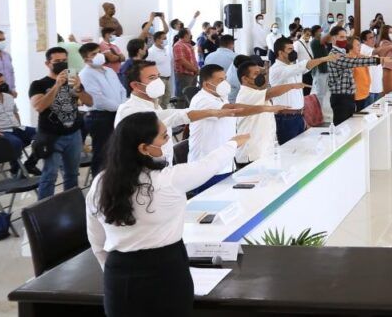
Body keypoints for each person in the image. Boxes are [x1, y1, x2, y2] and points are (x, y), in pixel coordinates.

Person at [87, 111, 250, 317]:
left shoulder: (100, 183)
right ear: (144, 148)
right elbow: (208, 165)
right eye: (164, 136)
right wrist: (233, 143)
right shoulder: (167, 180)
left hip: (119, 275)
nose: (168, 141)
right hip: (166, 272)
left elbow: (97, 241)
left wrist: (111, 270)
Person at [188, 65, 283, 189]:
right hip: (207, 168)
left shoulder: (221, 97)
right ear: (206, 85)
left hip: (225, 164)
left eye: (225, 79)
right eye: (220, 80)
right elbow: (234, 110)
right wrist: (265, 108)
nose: (225, 83)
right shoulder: (202, 100)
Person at [30, 47, 92, 199]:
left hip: (74, 134)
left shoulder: (72, 80)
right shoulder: (38, 84)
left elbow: (89, 102)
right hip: (51, 136)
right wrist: (57, 86)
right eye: (57, 61)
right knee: (49, 175)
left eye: (64, 61)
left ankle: (71, 206)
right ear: (47, 63)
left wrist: (78, 89)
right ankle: (43, 211)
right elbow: (39, 106)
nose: (62, 64)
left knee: (72, 173)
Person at [270, 37, 338, 144]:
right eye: (289, 49)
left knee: (300, 149)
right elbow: (303, 66)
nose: (293, 52)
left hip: (298, 116)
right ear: (280, 52)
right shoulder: (277, 69)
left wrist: (302, 118)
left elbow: (304, 67)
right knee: (289, 150)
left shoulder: (292, 66)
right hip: (286, 118)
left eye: (293, 49)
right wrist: (324, 59)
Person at [234, 61, 299, 166]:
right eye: (256, 74)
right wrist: (292, 86)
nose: (260, 76)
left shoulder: (257, 92)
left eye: (260, 73)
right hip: (251, 155)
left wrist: (265, 73)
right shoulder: (246, 94)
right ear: (245, 79)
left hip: (264, 152)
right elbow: (270, 92)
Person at [78, 43, 128, 177]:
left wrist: (123, 106)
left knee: (117, 152)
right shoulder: (85, 74)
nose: (99, 55)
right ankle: (99, 188)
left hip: (117, 113)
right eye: (94, 54)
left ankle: (115, 182)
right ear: (86, 59)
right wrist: (121, 107)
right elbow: (98, 100)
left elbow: (122, 90)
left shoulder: (109, 70)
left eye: (99, 52)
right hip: (100, 117)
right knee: (102, 154)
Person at [326, 29, 388, 125]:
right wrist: (378, 60)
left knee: (351, 125)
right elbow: (354, 62)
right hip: (341, 97)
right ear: (333, 39)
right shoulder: (334, 54)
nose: (344, 40)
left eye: (345, 37)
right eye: (341, 37)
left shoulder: (342, 53)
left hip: (349, 96)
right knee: (342, 126)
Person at [0, 72, 39, 176]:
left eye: (4, 81)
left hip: (17, 128)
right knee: (16, 143)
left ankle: (29, 165)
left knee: (45, 135)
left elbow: (15, 112)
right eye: (0, 82)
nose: (4, 84)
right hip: (2, 131)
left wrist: (18, 124)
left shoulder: (8, 97)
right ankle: (16, 171)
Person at [171, 28, 198, 105]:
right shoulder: (178, 45)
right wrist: (195, 69)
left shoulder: (188, 44)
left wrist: (196, 69)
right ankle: (180, 113)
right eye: (190, 33)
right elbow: (181, 60)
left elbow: (193, 59)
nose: (191, 35)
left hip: (192, 73)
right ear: (186, 35)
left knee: (190, 95)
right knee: (182, 97)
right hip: (184, 75)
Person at [0, 29, 17, 96]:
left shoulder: (7, 55)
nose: (2, 42)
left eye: (3, 39)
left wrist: (13, 89)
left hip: (8, 93)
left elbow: (11, 73)